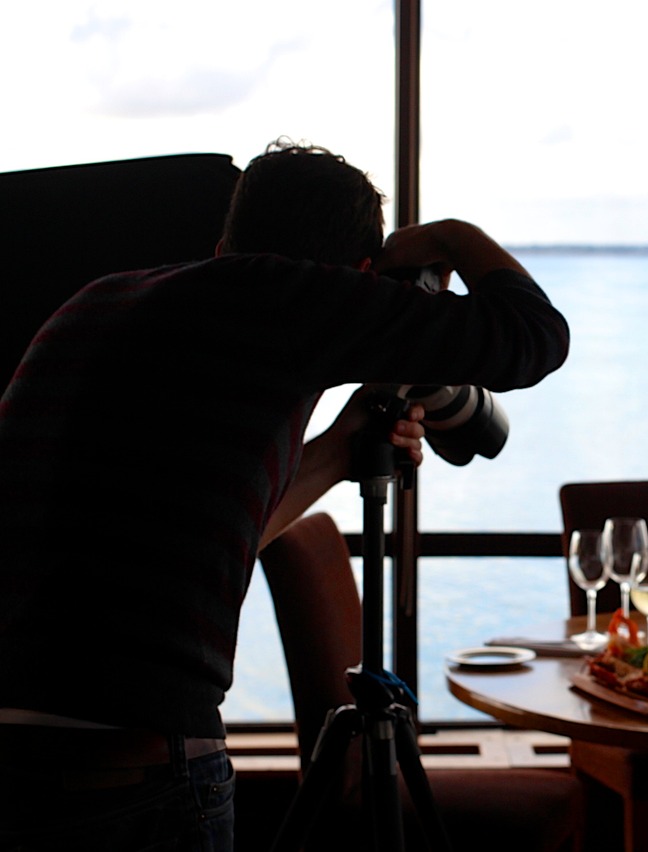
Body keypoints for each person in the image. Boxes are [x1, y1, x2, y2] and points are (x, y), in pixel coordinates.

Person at [0, 140, 570, 850]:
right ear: (361, 277)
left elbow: (229, 534)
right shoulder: (288, 292)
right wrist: (447, 237)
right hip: (139, 768)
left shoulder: (96, 301)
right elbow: (536, 338)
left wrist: (341, 447)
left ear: (221, 241)